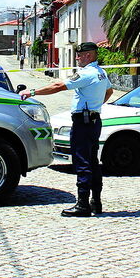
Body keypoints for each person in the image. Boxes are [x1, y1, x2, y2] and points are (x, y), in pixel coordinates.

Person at [19, 41, 112, 217]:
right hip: (94, 121)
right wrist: (96, 106)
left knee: (82, 162)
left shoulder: (87, 73)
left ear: (88, 56)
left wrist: (31, 93)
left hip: (83, 123)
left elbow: (58, 87)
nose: (77, 58)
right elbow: (109, 91)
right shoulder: (101, 72)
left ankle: (83, 204)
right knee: (93, 161)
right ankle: (96, 202)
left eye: (79, 55)